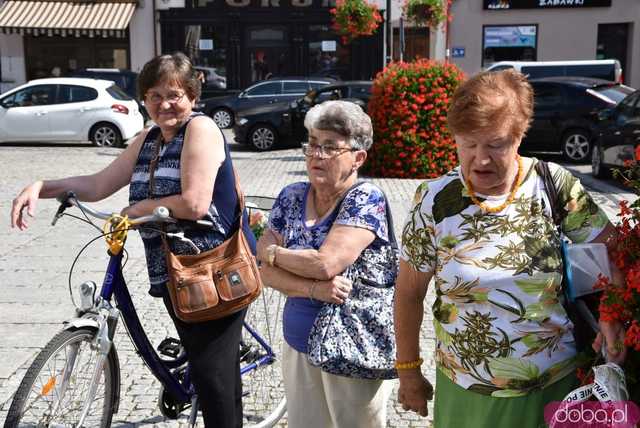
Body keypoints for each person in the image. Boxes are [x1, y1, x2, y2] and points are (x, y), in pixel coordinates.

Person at [10, 52, 252, 427]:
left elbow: (194, 202)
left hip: (213, 269)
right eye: (154, 96)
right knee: (206, 363)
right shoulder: (149, 140)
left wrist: (136, 210)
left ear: (191, 95)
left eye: (174, 94)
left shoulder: (201, 130)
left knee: (213, 381)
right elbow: (98, 184)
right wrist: (42, 186)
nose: (165, 104)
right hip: (176, 271)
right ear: (144, 100)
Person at [394, 69, 626, 427]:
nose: (480, 159)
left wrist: (611, 314)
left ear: (519, 136)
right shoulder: (435, 199)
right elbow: (409, 293)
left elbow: (614, 251)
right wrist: (408, 371)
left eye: (495, 144)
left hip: (555, 387)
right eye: (468, 144)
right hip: (466, 391)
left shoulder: (554, 184)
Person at [256, 100, 396, 428]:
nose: (316, 155)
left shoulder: (365, 199)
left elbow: (325, 264)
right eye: (313, 144)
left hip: (354, 347)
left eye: (330, 147)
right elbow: (264, 271)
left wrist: (275, 255)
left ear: (357, 157)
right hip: (297, 340)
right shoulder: (291, 195)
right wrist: (313, 289)